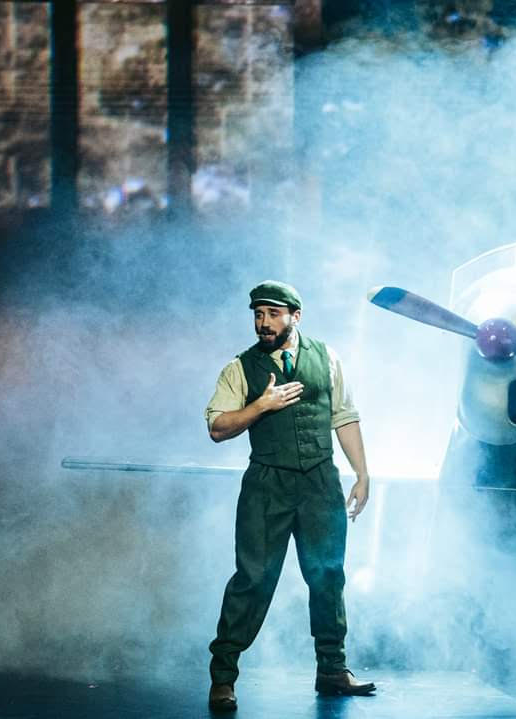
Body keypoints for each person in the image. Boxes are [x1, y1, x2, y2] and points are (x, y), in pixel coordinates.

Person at [204, 281, 376, 711]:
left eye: (272, 314)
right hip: (268, 485)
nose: (263, 322)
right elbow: (217, 428)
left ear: (294, 317)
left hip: (320, 483)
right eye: (258, 314)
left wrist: (362, 473)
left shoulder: (327, 357)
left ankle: (333, 671)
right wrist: (261, 405)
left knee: (327, 574)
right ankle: (223, 677)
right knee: (254, 579)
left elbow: (345, 416)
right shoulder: (240, 368)